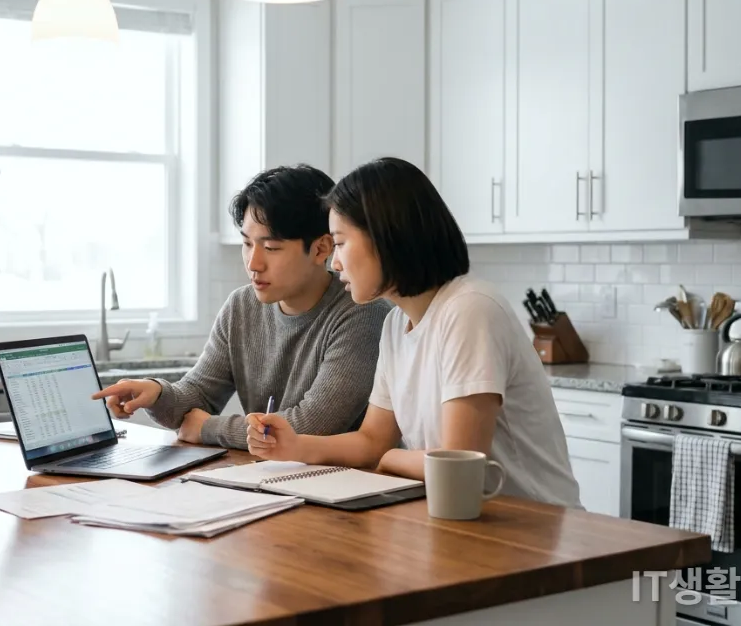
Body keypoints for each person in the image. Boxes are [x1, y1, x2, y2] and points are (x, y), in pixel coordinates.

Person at [245, 157, 582, 509]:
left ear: (385, 237)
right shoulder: (395, 324)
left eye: (341, 243)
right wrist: (293, 445)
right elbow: (371, 439)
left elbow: (458, 461)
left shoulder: (469, 309)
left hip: (533, 527)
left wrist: (389, 458)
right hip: (462, 518)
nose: (336, 262)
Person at [91, 164, 392, 450]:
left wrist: (209, 428)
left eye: (271, 248)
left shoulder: (361, 313)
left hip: (343, 486)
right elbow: (196, 396)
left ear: (321, 248)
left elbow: (311, 424)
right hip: (268, 477)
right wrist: (155, 393)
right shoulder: (241, 306)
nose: (253, 263)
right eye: (247, 244)